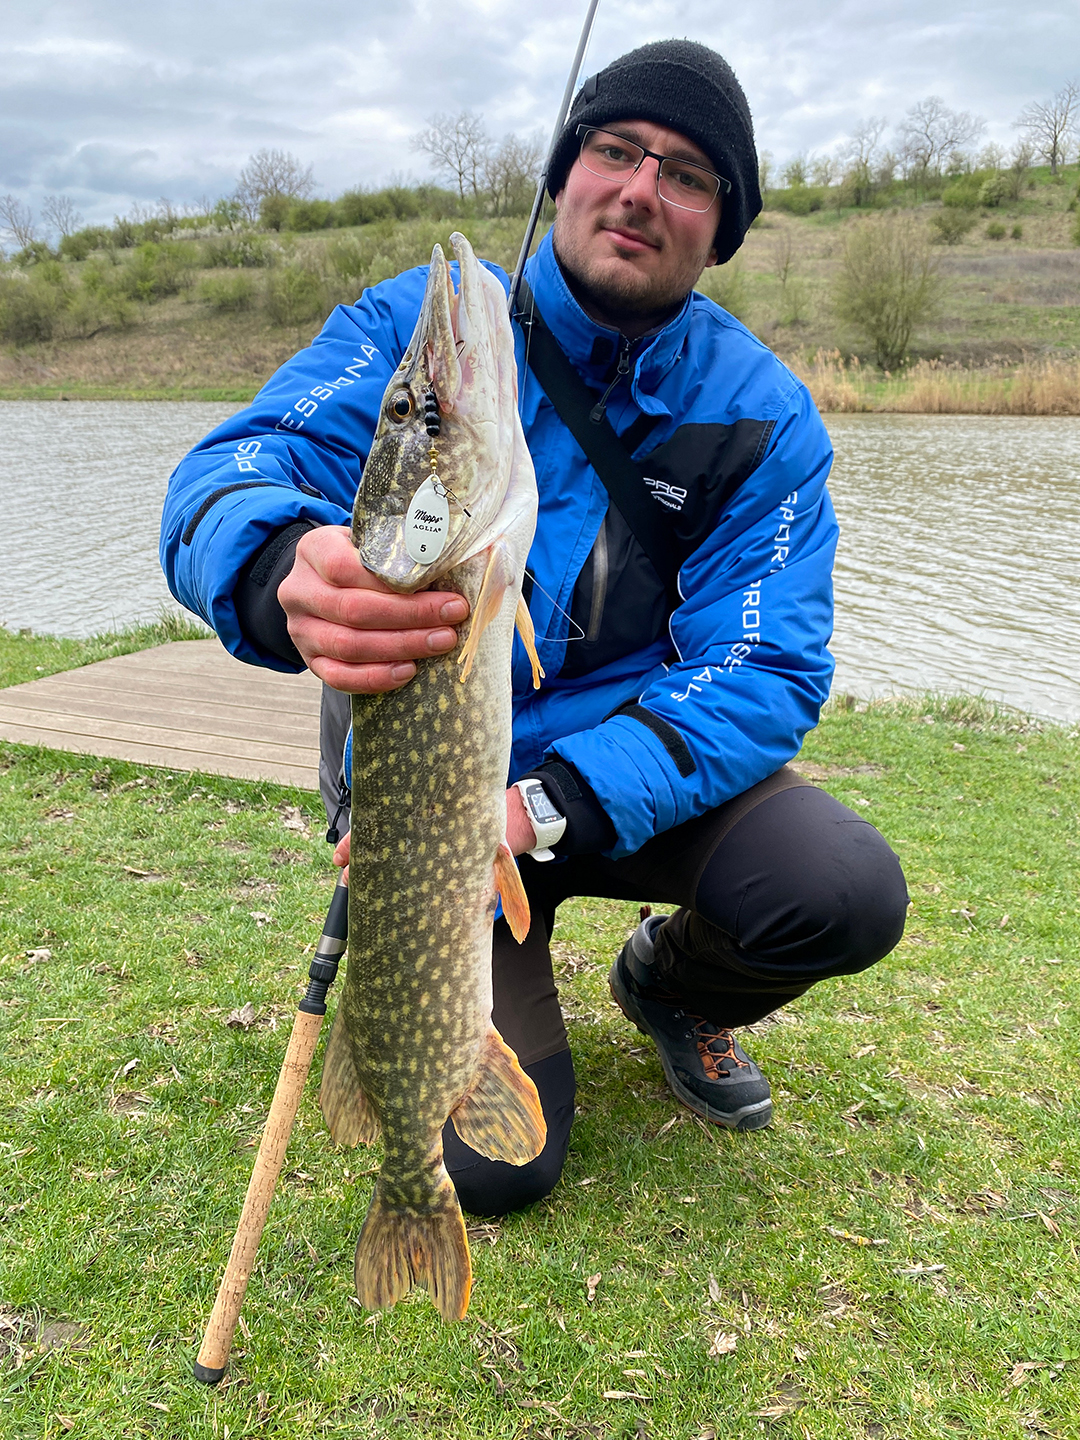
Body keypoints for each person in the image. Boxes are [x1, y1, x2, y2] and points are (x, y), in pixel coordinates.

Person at [161, 40, 908, 1217]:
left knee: (839, 885)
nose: (639, 189)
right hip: (436, 815)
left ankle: (671, 986)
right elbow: (236, 466)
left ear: (722, 229)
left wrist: (550, 802)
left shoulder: (760, 413)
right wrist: (270, 564)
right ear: (567, 174)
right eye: (614, 151)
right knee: (494, 1170)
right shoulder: (425, 329)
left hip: (612, 795)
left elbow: (762, 665)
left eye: (689, 175)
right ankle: (484, 997)